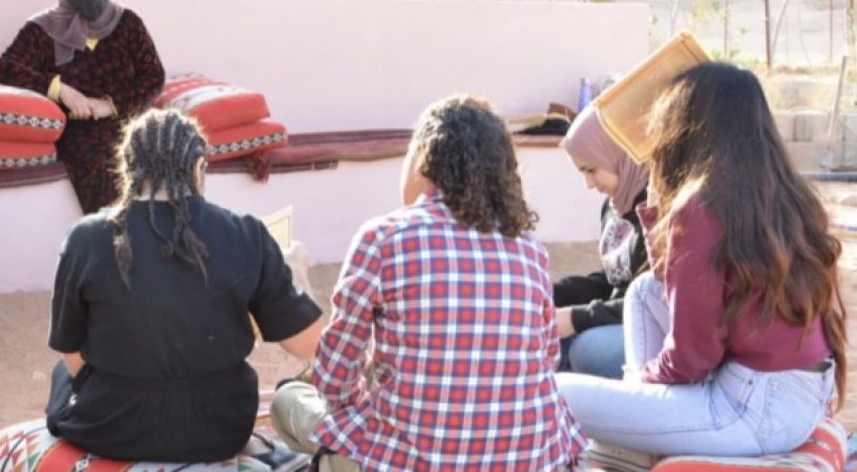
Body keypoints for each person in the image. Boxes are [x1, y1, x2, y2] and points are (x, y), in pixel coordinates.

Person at [271, 95, 586, 471]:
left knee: (287, 401)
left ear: (423, 158)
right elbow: (546, 358)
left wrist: (378, 391)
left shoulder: (384, 238)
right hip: (533, 459)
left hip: (413, 460)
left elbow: (334, 379)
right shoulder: (529, 249)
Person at [558, 63, 847, 457]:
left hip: (750, 408)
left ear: (685, 126)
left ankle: (636, 444)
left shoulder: (701, 204)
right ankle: (643, 443)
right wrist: (660, 205)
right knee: (644, 290)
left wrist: (639, 384)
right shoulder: (783, 192)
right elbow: (668, 285)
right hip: (796, 395)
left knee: (553, 392)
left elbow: (691, 358)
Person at [44, 109, 323, 462]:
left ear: (129, 169)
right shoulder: (245, 233)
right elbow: (308, 343)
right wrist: (296, 276)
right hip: (220, 429)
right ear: (198, 168)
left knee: (61, 376)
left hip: (112, 428)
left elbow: (70, 350)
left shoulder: (87, 237)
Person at [0, 0, 165, 214]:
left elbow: (153, 76)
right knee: (105, 162)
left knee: (164, 155)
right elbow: (6, 68)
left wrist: (109, 104)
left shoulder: (127, 23)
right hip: (81, 130)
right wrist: (60, 90)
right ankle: (118, 241)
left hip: (128, 120)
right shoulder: (44, 29)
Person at [554, 108, 649, 379]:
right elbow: (614, 281)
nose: (588, 183)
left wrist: (575, 318)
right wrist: (549, 295)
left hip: (649, 328)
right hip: (619, 317)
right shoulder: (615, 205)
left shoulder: (656, 209)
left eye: (591, 169)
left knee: (588, 349)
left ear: (618, 154)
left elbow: (646, 300)